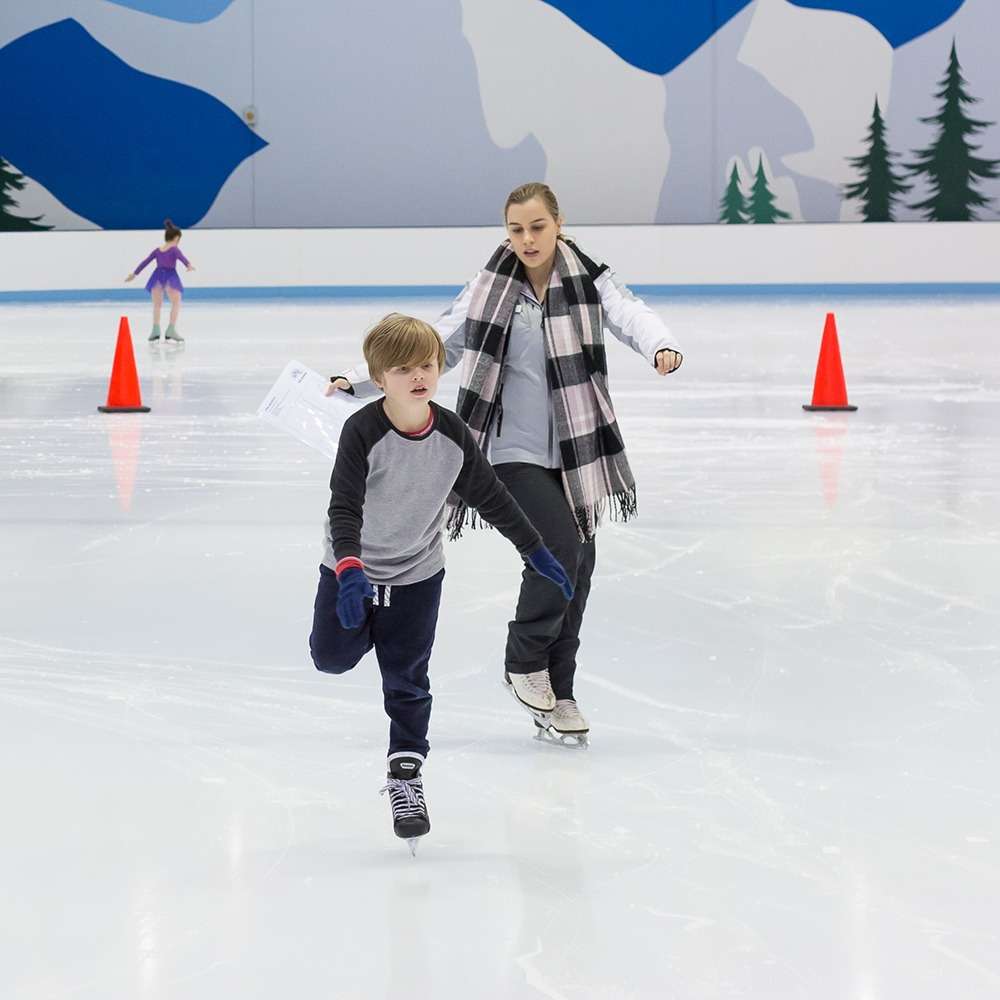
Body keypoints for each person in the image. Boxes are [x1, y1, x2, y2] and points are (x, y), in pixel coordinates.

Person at [327, 182, 683, 747]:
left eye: (537, 227)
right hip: (510, 451)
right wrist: (359, 379)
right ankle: (524, 660)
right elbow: (438, 343)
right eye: (516, 229)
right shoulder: (490, 287)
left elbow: (629, 313)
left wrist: (661, 345)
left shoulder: (589, 277)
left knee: (580, 566)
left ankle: (560, 693)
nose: (527, 239)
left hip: (576, 452)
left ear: (558, 224)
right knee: (559, 549)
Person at [310, 313, 572, 850]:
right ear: (379, 378)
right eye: (403, 369)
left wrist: (534, 549)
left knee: (407, 680)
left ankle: (405, 776)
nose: (418, 376)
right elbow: (344, 507)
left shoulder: (451, 433)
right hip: (351, 570)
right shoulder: (362, 430)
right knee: (331, 658)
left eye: (427, 365)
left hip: (417, 575)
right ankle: (368, 628)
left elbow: (491, 495)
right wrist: (350, 568)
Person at [125, 218, 195, 342]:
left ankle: (155, 330)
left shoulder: (157, 250)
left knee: (157, 305)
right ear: (176, 238)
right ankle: (171, 329)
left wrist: (134, 274)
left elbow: (145, 262)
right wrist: (189, 265)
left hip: (157, 277)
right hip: (170, 277)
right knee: (176, 302)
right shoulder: (174, 249)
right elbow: (183, 258)